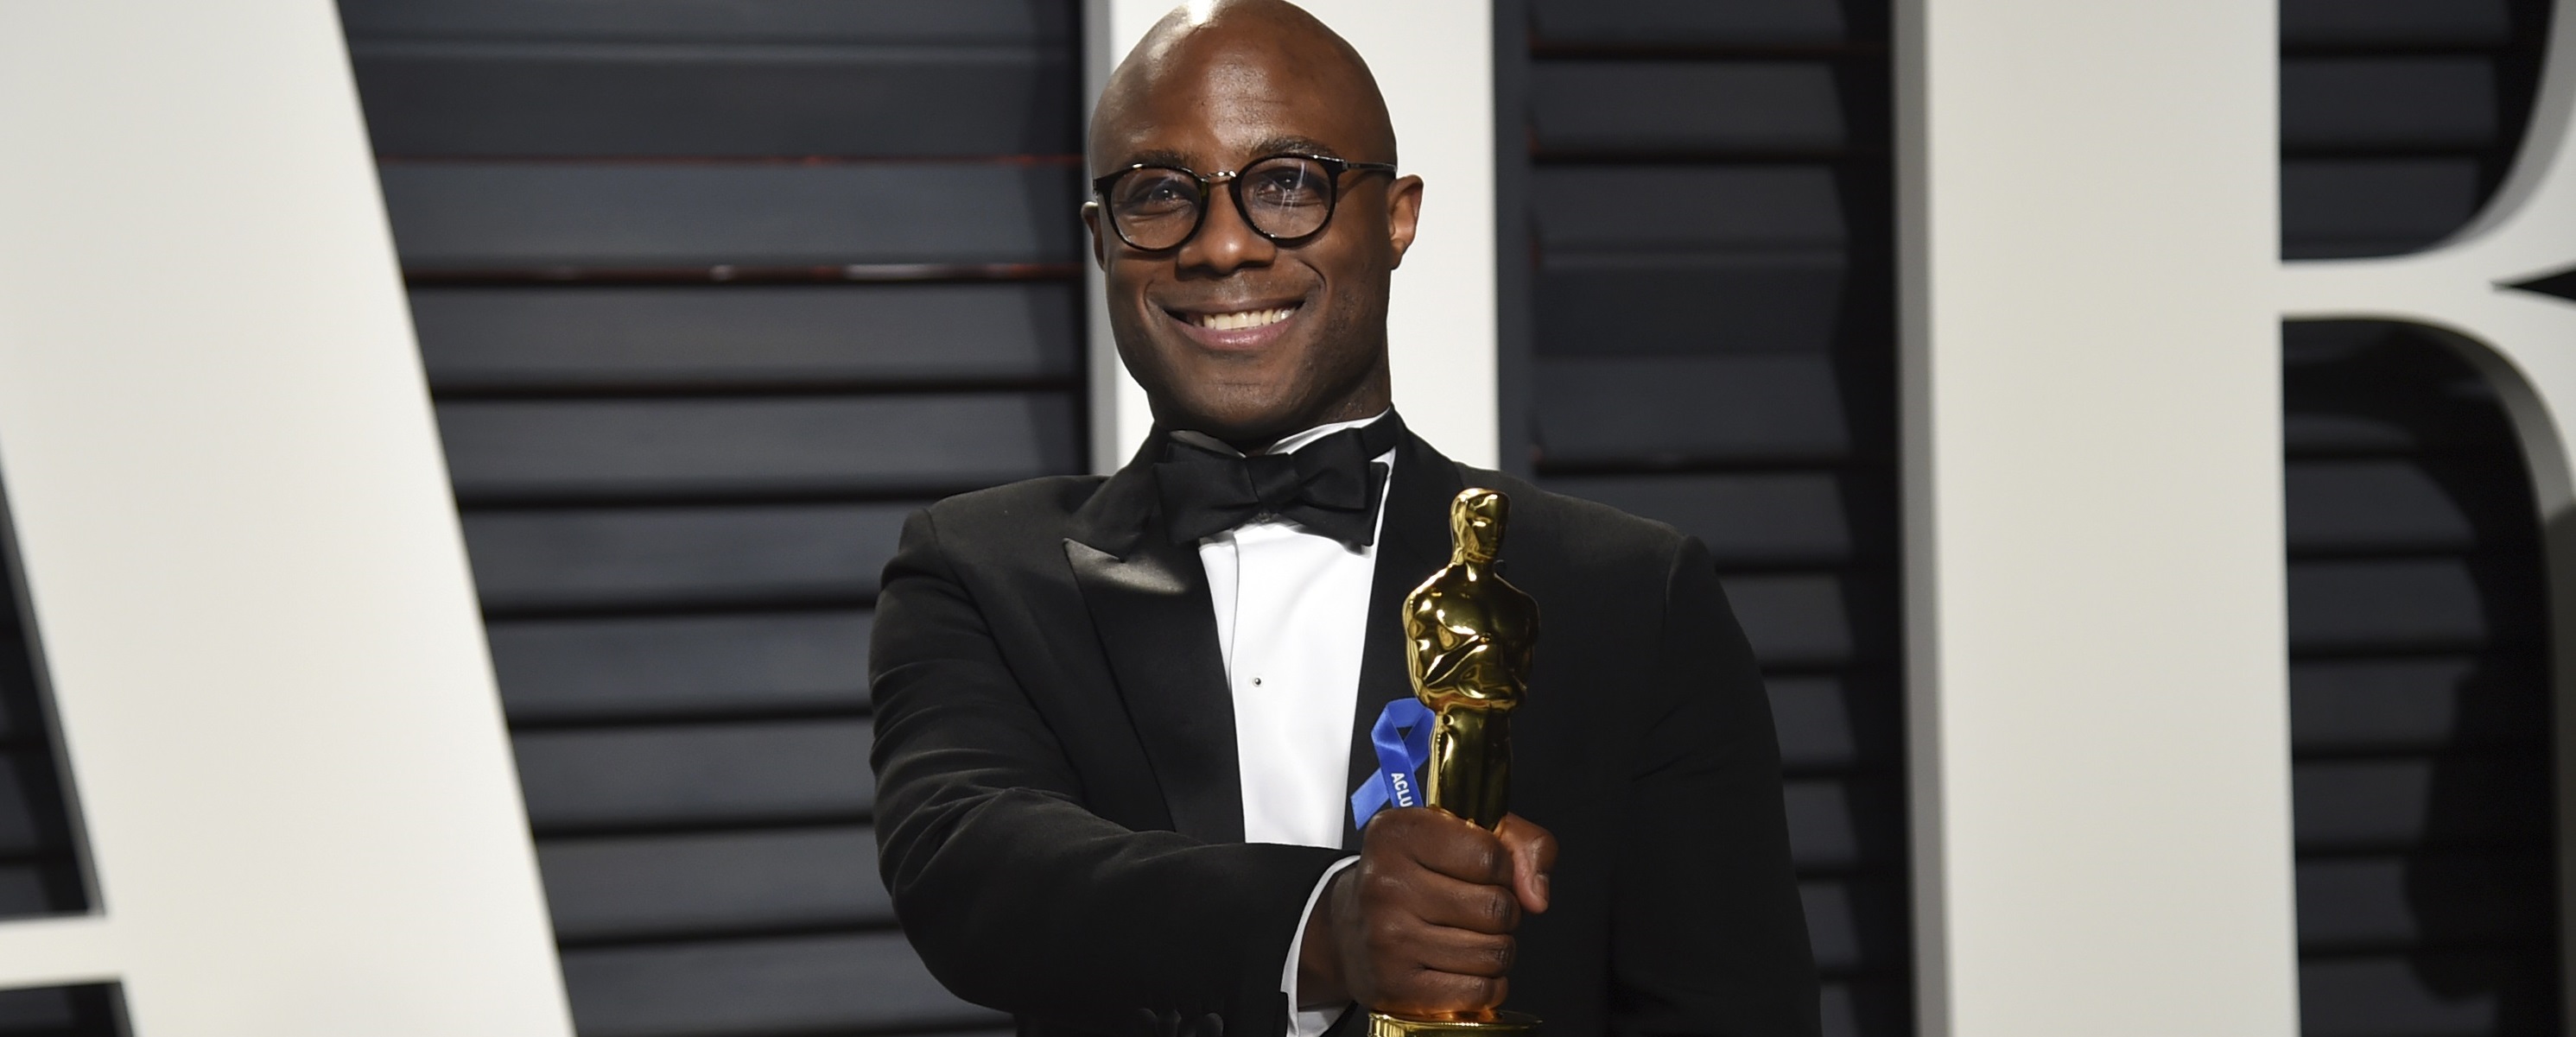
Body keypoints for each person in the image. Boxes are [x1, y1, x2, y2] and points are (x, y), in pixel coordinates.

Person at [868, 3, 1817, 1035]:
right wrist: (1323, 923)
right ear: (1103, 243)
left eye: (1287, 183)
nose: (1222, 245)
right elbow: (964, 865)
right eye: (1158, 195)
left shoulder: (1632, 592)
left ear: (1399, 215)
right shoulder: (977, 568)